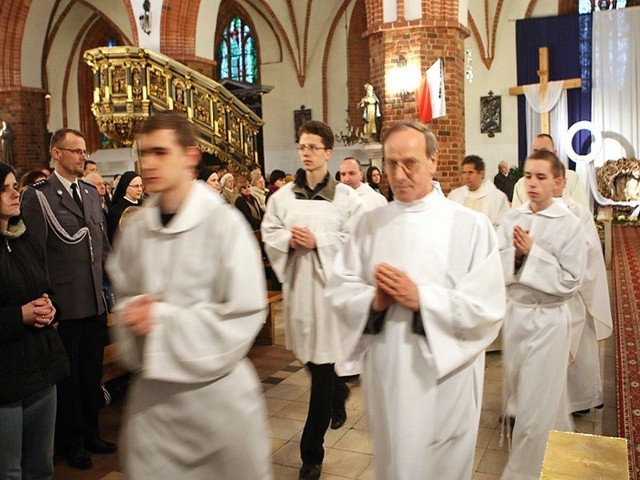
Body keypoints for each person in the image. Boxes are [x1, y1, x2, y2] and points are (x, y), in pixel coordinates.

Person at [326, 120, 505, 480]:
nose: (398, 174)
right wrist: (374, 302)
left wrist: (421, 298)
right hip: (387, 370)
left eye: (410, 163)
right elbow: (339, 289)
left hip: (443, 378)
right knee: (394, 464)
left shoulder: (470, 226)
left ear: (434, 161)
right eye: (391, 164)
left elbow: (486, 308)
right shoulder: (369, 224)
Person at [106, 111, 272, 480]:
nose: (147, 163)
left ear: (190, 156)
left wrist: (162, 320)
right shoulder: (137, 229)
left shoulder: (223, 224)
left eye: (160, 152)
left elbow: (245, 313)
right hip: (156, 407)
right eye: (143, 153)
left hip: (216, 405)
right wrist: (132, 311)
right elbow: (125, 293)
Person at [261, 120, 363, 480]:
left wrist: (317, 241)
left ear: (328, 153)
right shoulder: (282, 197)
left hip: (330, 293)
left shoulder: (347, 198)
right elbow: (269, 231)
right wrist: (288, 240)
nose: (306, 153)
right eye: (302, 146)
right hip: (300, 290)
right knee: (309, 358)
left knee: (321, 368)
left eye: (313, 147)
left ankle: (311, 455)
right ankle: (339, 394)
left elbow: (355, 240)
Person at [20, 128, 113, 470]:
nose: (83, 157)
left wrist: (112, 284)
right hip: (66, 303)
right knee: (69, 380)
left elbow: (101, 246)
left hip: (93, 300)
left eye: (84, 151)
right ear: (57, 153)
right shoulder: (39, 196)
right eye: (76, 151)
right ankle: (70, 443)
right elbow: (36, 253)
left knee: (91, 375)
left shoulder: (90, 193)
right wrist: (48, 302)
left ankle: (91, 433)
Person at [498, 150, 586, 480]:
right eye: (528, 176)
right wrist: (518, 259)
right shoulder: (512, 218)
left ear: (559, 182)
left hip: (548, 321)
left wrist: (532, 255)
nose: (532, 183)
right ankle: (557, 453)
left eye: (541, 177)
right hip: (517, 317)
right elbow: (496, 262)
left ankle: (522, 473)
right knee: (527, 398)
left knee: (535, 407)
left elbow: (570, 280)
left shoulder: (569, 224)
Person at [0, 162, 69, 480]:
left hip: (41, 367)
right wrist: (21, 316)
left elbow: (44, 283)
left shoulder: (23, 236)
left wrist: (50, 306)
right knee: (10, 471)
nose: (16, 193)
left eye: (15, 185)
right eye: (5, 188)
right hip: (6, 378)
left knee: (41, 466)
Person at [551, 171, 612, 415]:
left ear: (561, 180)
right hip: (543, 297)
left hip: (572, 294)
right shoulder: (530, 211)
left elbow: (589, 255)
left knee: (579, 349)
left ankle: (581, 400)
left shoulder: (577, 213)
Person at [511, 134, 589, 210]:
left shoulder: (573, 178)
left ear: (554, 153)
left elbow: (582, 212)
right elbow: (515, 218)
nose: (539, 156)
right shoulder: (521, 184)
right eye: (535, 152)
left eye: (544, 151)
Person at [448, 155, 510, 229]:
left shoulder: (497, 197)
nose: (466, 177)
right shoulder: (455, 196)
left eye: (470, 172)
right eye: (464, 172)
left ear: (481, 174)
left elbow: (504, 227)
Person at [106, 171, 143, 242]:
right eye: (136, 186)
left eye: (141, 186)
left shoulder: (145, 205)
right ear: (126, 187)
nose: (139, 189)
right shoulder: (116, 210)